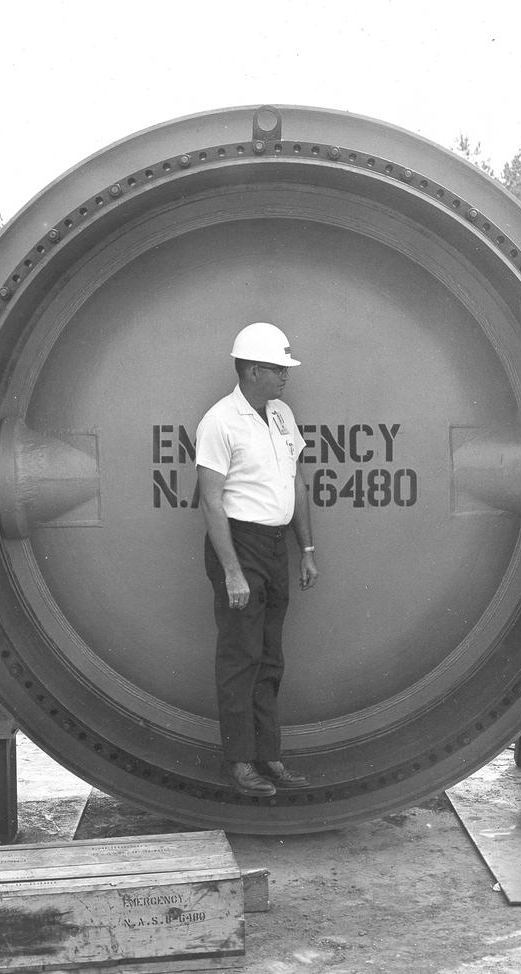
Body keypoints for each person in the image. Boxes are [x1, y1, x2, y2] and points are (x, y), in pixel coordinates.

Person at [195, 322, 319, 798]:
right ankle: (241, 761)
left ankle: (269, 756)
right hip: (240, 546)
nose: (286, 376)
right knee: (240, 657)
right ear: (251, 371)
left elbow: (297, 483)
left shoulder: (282, 414)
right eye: (278, 369)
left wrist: (306, 549)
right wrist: (231, 571)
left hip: (274, 545)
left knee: (269, 657)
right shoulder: (220, 422)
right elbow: (211, 501)